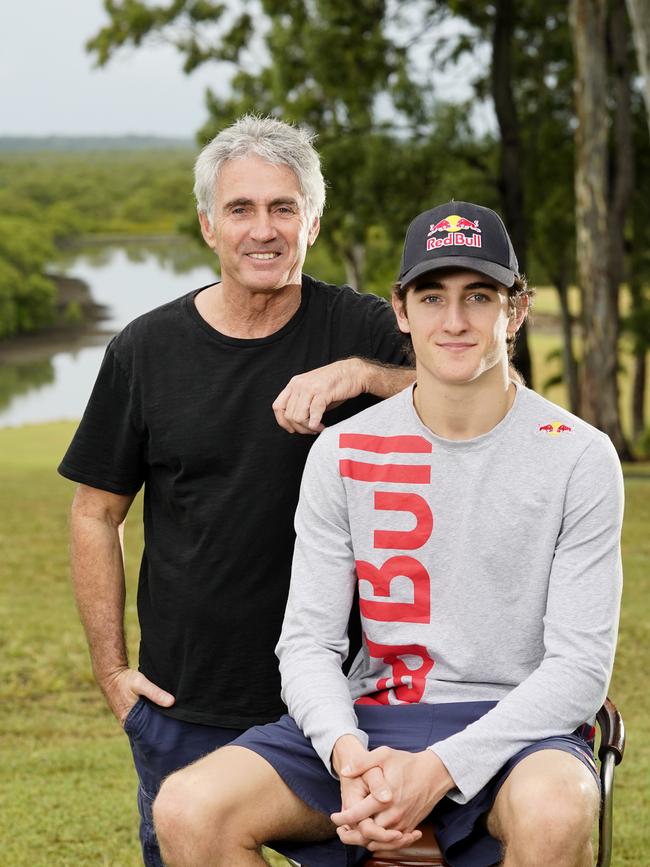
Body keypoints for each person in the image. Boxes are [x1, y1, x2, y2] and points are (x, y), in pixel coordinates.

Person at [152, 201, 624, 867]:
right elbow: (308, 642)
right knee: (188, 807)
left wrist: (437, 769)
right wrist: (348, 754)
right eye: (432, 297)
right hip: (372, 719)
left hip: (519, 731)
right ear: (400, 310)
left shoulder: (578, 455)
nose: (455, 321)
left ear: (516, 310)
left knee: (556, 804)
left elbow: (578, 669)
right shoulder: (344, 451)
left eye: (479, 296)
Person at [57, 115, 415, 867]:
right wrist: (112, 671)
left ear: (312, 222)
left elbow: (479, 391)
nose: (263, 229)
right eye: (241, 209)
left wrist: (361, 374)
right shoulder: (145, 350)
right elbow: (96, 513)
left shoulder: (363, 326)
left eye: (284, 207)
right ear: (207, 224)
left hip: (341, 706)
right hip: (186, 706)